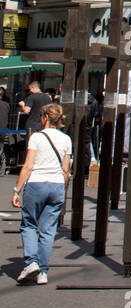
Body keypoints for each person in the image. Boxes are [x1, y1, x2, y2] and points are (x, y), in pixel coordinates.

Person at [12, 102, 72, 285]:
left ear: (45, 117)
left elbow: (29, 165)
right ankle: (43, 272)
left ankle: (31, 262)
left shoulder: (37, 138)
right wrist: (63, 189)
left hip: (37, 183)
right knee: (48, 230)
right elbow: (66, 170)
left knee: (29, 223)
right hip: (56, 185)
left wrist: (16, 190)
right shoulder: (65, 139)